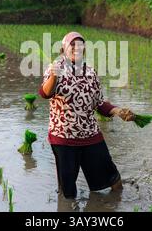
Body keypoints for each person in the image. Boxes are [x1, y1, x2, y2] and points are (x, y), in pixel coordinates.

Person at [39, 32, 136, 199]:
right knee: (68, 192)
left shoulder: (90, 72)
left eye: (80, 45)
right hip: (64, 138)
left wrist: (118, 111)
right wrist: (54, 76)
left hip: (91, 135)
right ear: (64, 48)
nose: (77, 48)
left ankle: (114, 205)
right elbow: (45, 93)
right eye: (73, 45)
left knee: (114, 179)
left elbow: (99, 103)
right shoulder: (55, 68)